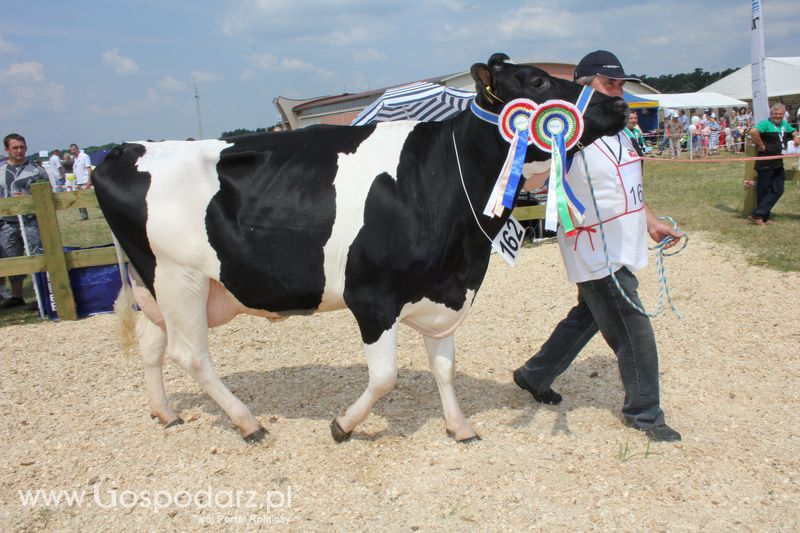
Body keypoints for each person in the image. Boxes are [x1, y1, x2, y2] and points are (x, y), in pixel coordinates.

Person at [514, 50, 683, 442]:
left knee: (588, 316)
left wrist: (652, 222)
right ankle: (645, 414)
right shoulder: (566, 136)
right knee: (633, 327)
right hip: (593, 248)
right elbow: (529, 181)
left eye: (621, 85)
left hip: (623, 242)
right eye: (610, 84)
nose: (619, 92)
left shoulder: (619, 130)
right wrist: (536, 162)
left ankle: (534, 374)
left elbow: (629, 187)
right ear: (584, 87)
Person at [0, 133, 47, 309]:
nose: (19, 151)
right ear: (7, 149)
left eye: (22, 147)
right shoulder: (1, 171)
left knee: (37, 255)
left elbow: (47, 195)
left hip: (30, 221)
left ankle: (41, 295)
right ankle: (17, 296)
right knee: (11, 258)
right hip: (7, 223)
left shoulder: (37, 170)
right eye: (15, 147)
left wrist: (28, 197)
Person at [748, 102, 799, 225]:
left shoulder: (784, 124)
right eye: (775, 114)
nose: (778, 116)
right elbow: (753, 132)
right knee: (763, 190)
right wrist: (761, 145)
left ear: (783, 115)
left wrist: (796, 136)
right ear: (771, 114)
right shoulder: (765, 124)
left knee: (778, 189)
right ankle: (762, 217)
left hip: (777, 162)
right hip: (765, 162)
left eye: (780, 114)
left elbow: (793, 131)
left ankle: (758, 214)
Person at [69, 143, 92, 220]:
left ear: (77, 149)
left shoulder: (84, 156)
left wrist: (89, 181)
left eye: (74, 149)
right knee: (79, 200)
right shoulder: (75, 159)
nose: (72, 151)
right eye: (71, 150)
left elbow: (89, 168)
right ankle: (84, 216)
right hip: (78, 182)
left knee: (91, 199)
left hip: (85, 181)